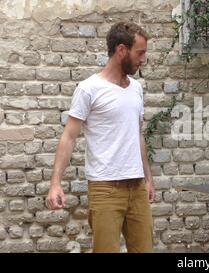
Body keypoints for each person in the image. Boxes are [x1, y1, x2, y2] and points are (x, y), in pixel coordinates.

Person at [46, 21, 155, 253]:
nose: (143, 59)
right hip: (105, 189)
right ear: (121, 50)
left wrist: (148, 178)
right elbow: (69, 137)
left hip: (136, 188)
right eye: (140, 52)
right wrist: (55, 183)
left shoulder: (136, 88)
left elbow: (137, 135)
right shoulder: (89, 89)